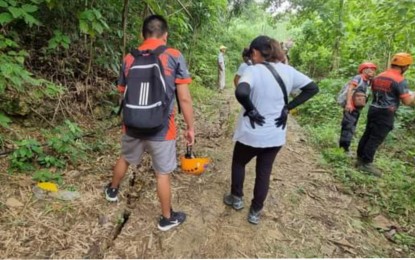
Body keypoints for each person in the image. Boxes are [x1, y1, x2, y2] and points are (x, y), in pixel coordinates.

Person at [104, 14, 195, 232]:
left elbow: (122, 93)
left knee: (125, 157)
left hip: (132, 123)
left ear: (142, 34)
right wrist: (191, 128)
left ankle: (112, 190)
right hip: (163, 128)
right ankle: (166, 218)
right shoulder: (173, 55)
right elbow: (184, 98)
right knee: (162, 173)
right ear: (166, 35)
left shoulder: (128, 58)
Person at [223, 35, 319, 224]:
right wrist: (288, 107)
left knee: (239, 163)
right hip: (275, 135)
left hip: (250, 134)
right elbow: (312, 88)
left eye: (252, 53)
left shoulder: (253, 70)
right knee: (264, 172)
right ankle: (255, 212)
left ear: (257, 52)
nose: (251, 57)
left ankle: (237, 198)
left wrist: (251, 109)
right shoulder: (289, 71)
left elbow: (241, 91)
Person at [356, 53, 415, 177]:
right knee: (376, 137)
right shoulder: (400, 80)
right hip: (386, 112)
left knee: (368, 133)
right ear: (404, 67)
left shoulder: (379, 76)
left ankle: (360, 158)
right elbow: (407, 101)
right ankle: (366, 163)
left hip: (373, 108)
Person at [339, 62, 377, 154]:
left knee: (352, 126)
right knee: (348, 127)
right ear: (363, 70)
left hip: (357, 108)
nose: (373, 71)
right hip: (351, 107)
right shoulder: (358, 78)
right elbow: (350, 89)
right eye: (370, 69)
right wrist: (348, 104)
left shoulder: (368, 81)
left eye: (374, 69)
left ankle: (344, 147)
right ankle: (343, 149)